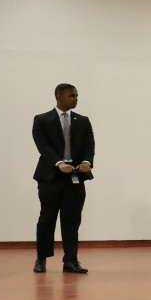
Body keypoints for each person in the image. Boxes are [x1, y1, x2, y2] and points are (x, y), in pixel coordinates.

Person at [31, 83, 95, 274]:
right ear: (59, 96)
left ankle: (71, 260)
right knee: (47, 219)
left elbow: (89, 145)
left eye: (76, 96)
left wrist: (86, 162)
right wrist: (59, 163)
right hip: (50, 177)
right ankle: (41, 259)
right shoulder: (42, 120)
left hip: (75, 177)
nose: (75, 99)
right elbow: (43, 146)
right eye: (71, 96)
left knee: (72, 220)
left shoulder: (82, 121)